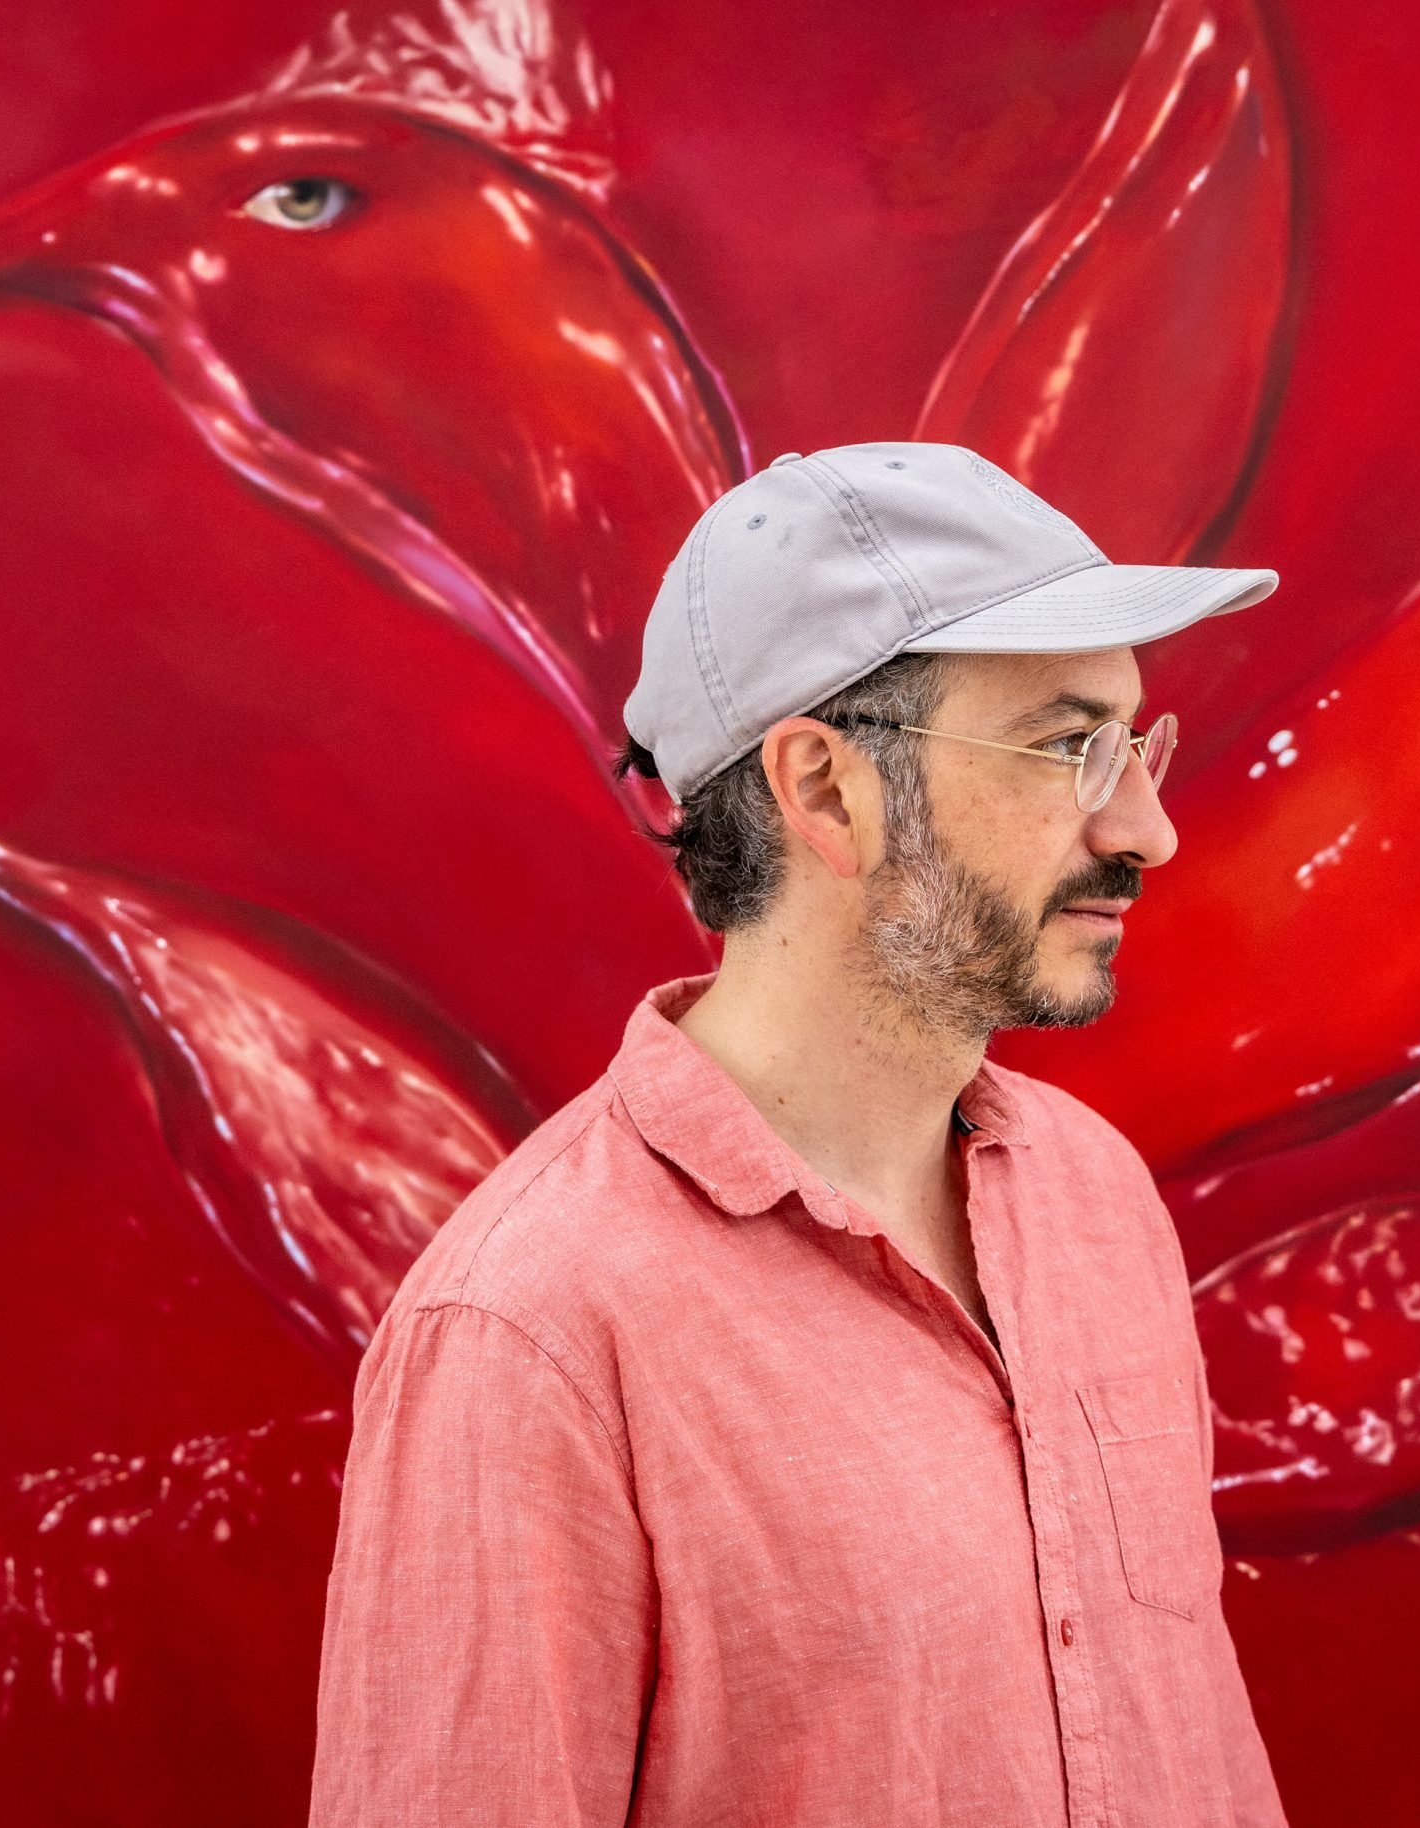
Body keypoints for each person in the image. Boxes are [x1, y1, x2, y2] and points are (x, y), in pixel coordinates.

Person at [307, 442, 1290, 1826]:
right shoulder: (532, 1325)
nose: (1149, 826)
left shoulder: (1094, 1199)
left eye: (1133, 745)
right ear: (826, 789)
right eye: (1071, 746)